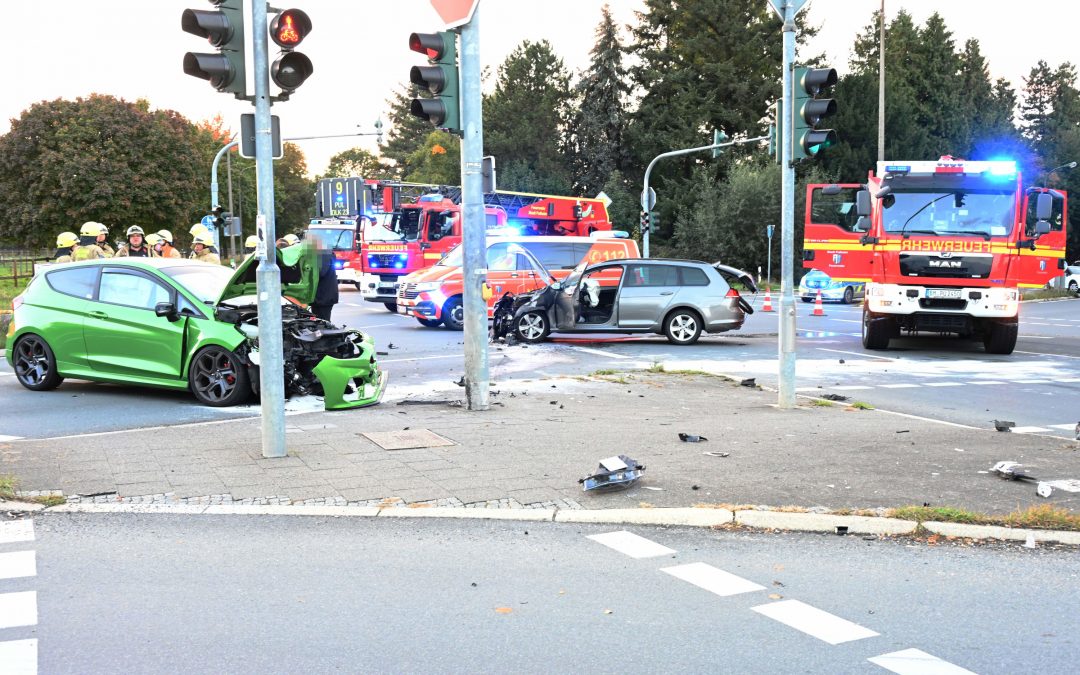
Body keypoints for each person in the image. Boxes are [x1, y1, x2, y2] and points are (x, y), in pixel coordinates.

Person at [310, 234, 339, 322]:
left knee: (322, 323)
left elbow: (320, 272)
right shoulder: (325, 254)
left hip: (323, 297)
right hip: (323, 297)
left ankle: (326, 336)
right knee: (319, 322)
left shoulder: (323, 255)